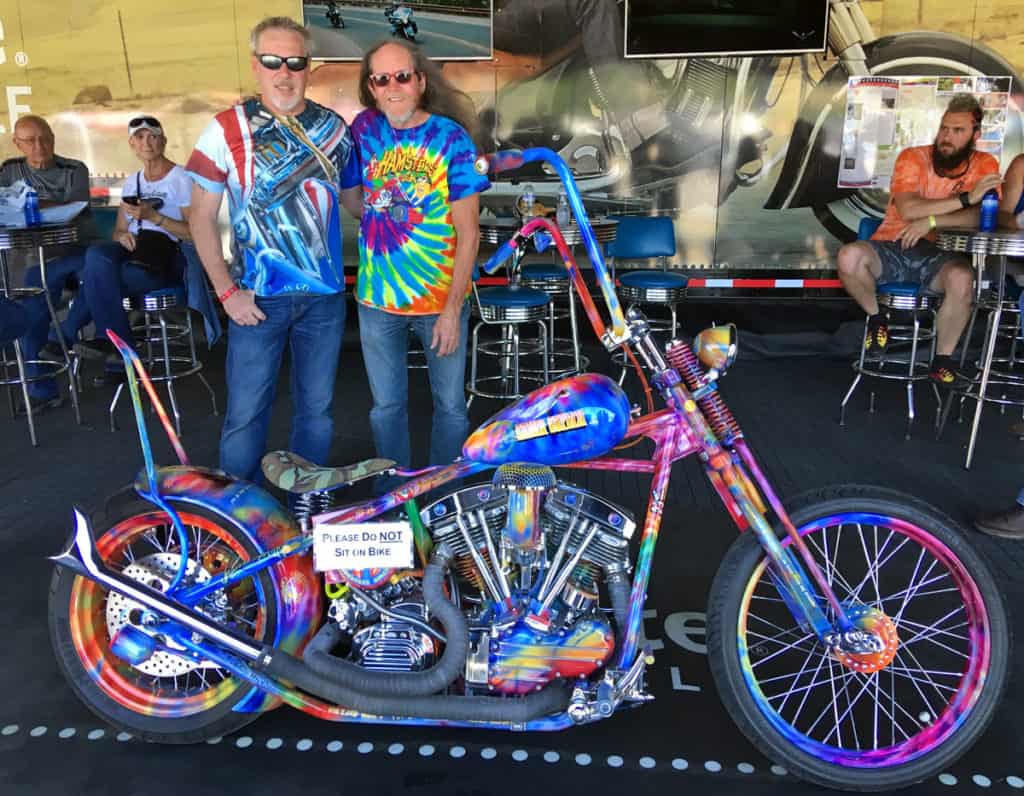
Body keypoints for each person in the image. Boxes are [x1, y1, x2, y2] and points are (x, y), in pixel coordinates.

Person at [187, 16, 362, 483]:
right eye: (272, 61)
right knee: (246, 414)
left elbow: (355, 202)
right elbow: (199, 217)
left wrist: (415, 213)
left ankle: (305, 516)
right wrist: (226, 293)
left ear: (309, 67)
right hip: (255, 300)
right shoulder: (226, 129)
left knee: (317, 414)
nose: (283, 72)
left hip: (323, 300)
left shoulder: (334, 129)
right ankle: (239, 524)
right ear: (255, 65)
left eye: (295, 62)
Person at [351, 40, 489, 483]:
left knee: (449, 405)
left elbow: (469, 232)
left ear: (421, 81)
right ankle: (395, 494)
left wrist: (452, 308)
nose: (393, 87)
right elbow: (354, 199)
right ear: (371, 87)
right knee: (385, 407)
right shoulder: (363, 130)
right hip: (377, 301)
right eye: (382, 79)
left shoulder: (451, 138)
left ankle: (440, 489)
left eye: (402, 76)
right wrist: (384, 212)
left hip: (438, 302)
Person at [835, 93, 1001, 386]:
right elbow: (909, 208)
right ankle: (876, 319)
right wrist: (965, 199)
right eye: (944, 128)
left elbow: (984, 217)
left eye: (958, 130)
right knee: (849, 256)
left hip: (943, 253)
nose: (947, 137)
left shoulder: (985, 163)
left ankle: (942, 361)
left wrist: (933, 221)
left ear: (976, 134)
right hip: (893, 244)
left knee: (964, 280)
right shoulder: (913, 156)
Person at [71, 116, 194, 386]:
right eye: (140, 137)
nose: (147, 143)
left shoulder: (181, 178)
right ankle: (122, 350)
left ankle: (76, 338)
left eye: (152, 136)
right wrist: (123, 235)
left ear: (163, 140)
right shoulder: (132, 183)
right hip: (134, 254)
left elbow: (195, 233)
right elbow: (116, 232)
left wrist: (155, 218)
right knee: (96, 257)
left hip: (166, 260)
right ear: (132, 144)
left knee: (94, 281)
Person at [0, 115, 94, 411]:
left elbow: (77, 209)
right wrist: (52, 205)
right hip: (29, 258)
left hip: (72, 252)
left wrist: (28, 202)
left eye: (45, 138)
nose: (39, 146)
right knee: (30, 301)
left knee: (102, 272)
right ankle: (41, 389)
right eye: (30, 140)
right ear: (17, 143)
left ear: (53, 138)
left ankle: (66, 335)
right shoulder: (9, 170)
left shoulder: (74, 169)